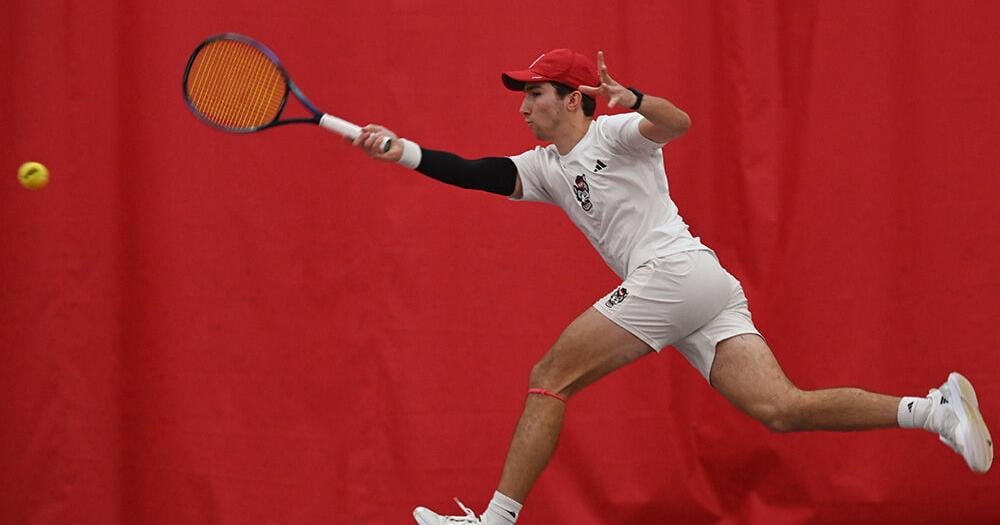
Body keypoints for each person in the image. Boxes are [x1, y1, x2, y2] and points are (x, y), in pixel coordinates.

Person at [349, 49, 994, 524]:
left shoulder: (615, 133)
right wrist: (400, 149)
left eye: (535, 93)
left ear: (573, 98)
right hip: (697, 284)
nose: (522, 105)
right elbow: (478, 172)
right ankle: (931, 409)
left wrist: (630, 96)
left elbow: (678, 123)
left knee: (550, 375)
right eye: (522, 94)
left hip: (675, 273)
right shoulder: (546, 168)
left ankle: (496, 522)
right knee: (782, 409)